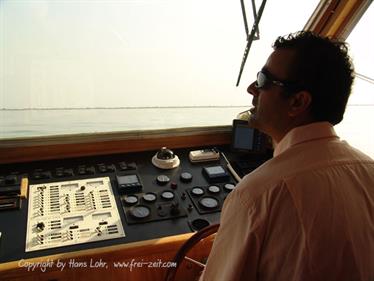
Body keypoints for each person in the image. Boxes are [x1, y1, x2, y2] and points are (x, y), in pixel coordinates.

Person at [199, 31, 374, 281]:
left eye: (263, 80)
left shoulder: (255, 196)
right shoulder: (370, 169)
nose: (252, 88)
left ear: (297, 102)